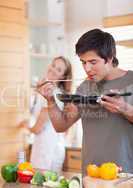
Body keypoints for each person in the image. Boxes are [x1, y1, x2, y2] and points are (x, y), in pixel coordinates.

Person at [38, 28, 133, 175]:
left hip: (125, 176)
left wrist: (125, 109)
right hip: (90, 175)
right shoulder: (84, 87)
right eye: (83, 62)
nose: (87, 68)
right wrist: (50, 101)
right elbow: (61, 125)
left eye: (93, 62)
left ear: (109, 57)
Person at [20, 56, 72, 171]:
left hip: (48, 151)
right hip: (46, 147)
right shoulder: (49, 91)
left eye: (58, 70)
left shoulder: (52, 94)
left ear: (63, 76)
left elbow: (38, 128)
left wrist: (26, 126)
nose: (53, 70)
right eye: (53, 65)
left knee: (44, 186)